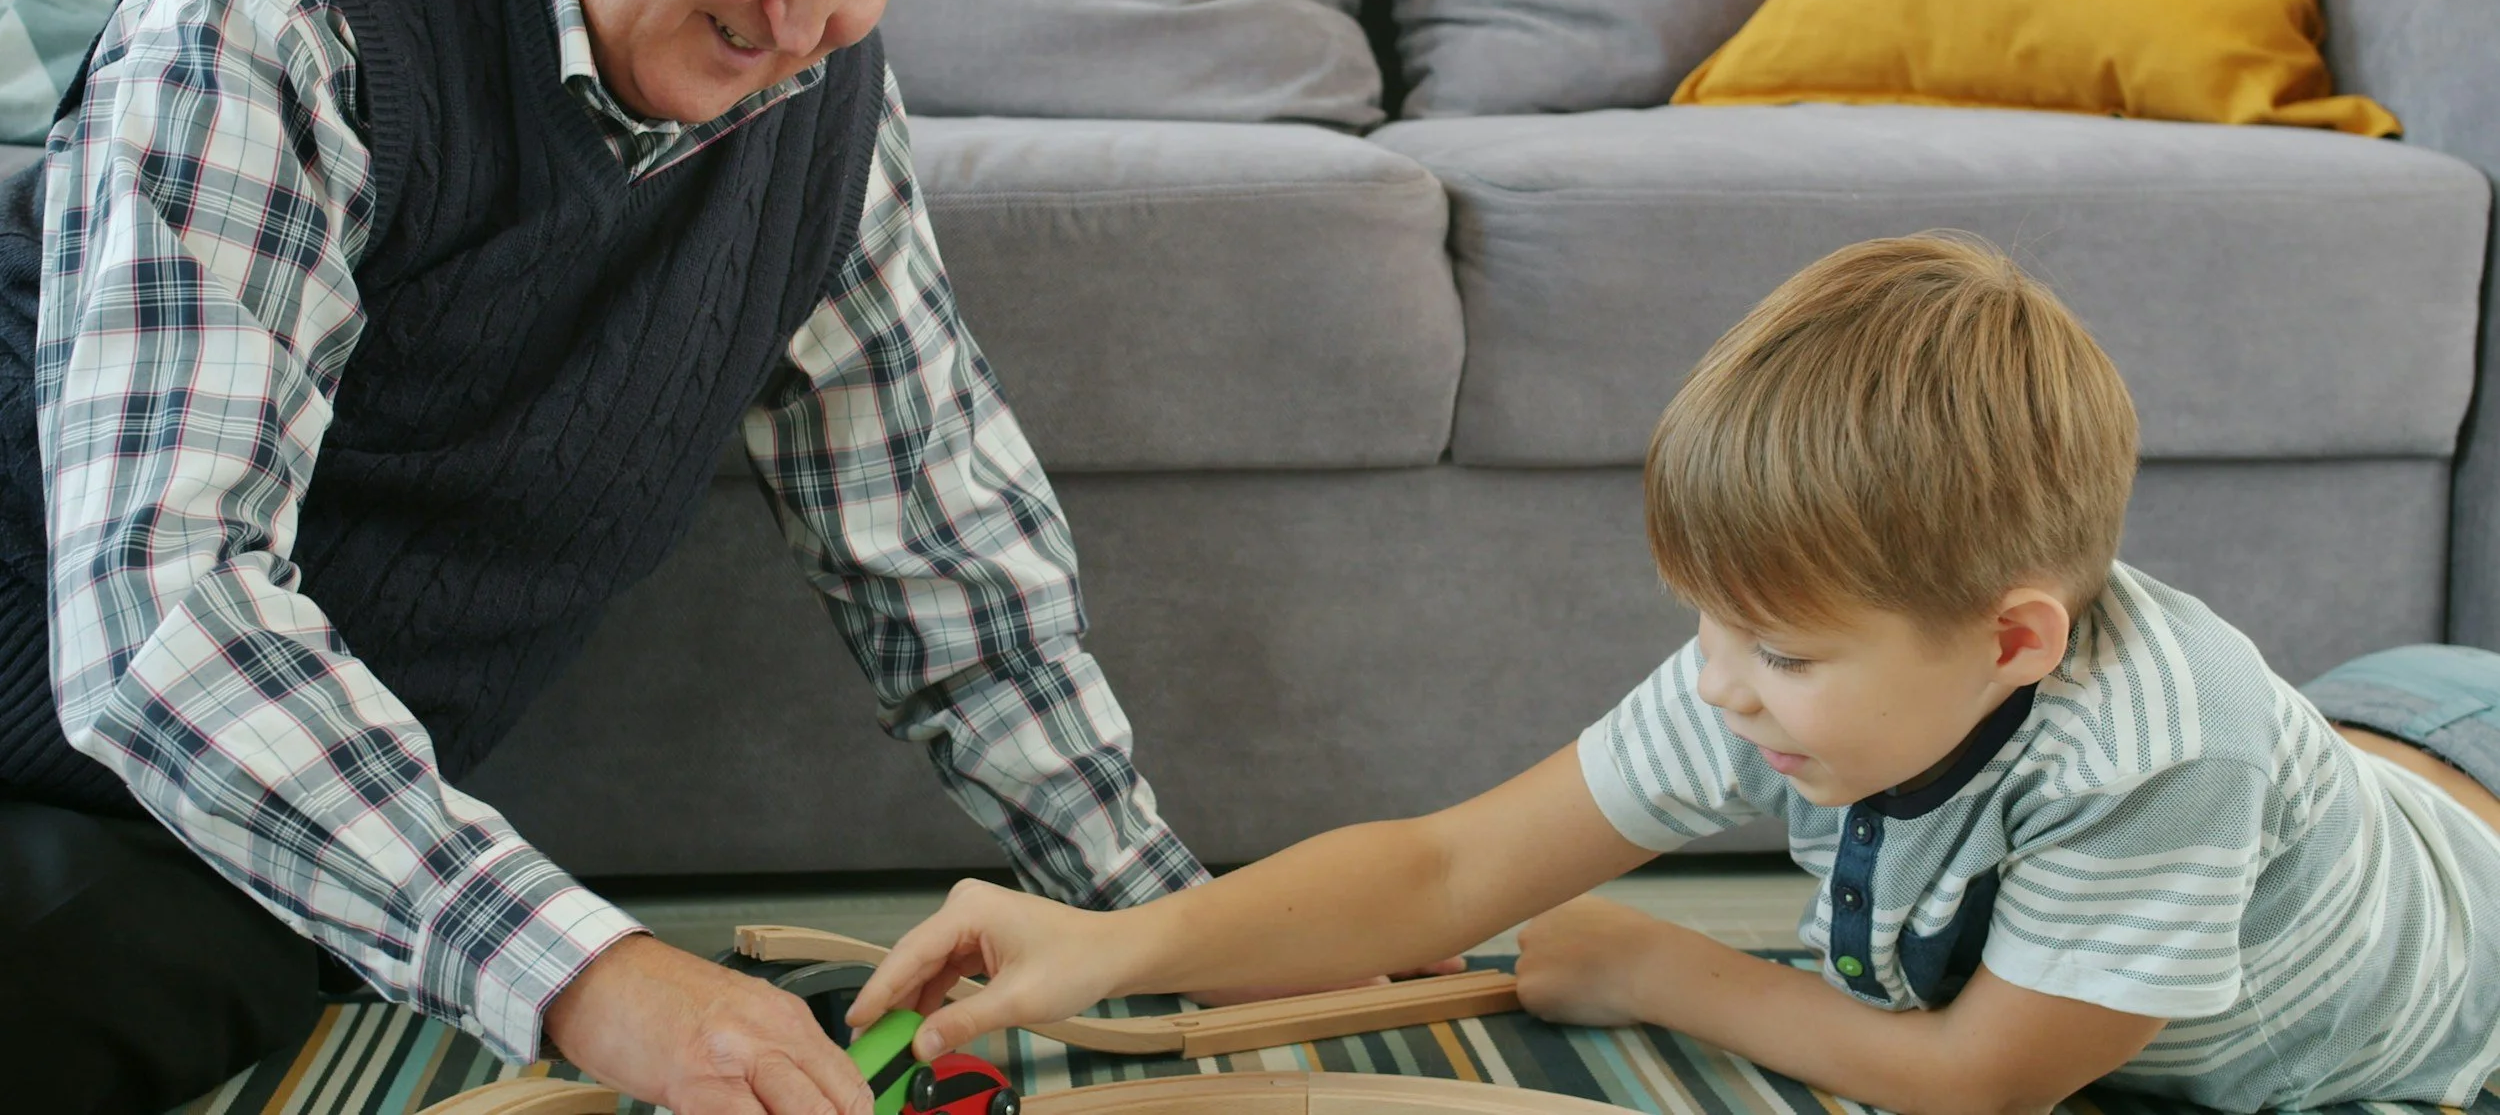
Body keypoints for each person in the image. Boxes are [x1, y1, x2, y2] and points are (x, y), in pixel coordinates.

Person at [0, 0, 1214, 1112]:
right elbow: (166, 609)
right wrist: (601, 977)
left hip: (226, 834)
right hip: (85, 714)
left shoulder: (816, 97)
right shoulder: (274, 12)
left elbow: (937, 539)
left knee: (211, 949)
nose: (812, 21)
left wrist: (1164, 924)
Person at [849, 234, 2500, 1115]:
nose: (1718, 686)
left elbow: (1984, 1078)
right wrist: (1126, 939)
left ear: (2012, 642)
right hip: (2381, 732)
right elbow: (1446, 867)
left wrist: (1664, 968)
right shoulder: (1793, 658)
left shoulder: (2156, 764)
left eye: (1773, 650)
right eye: (1712, 627)